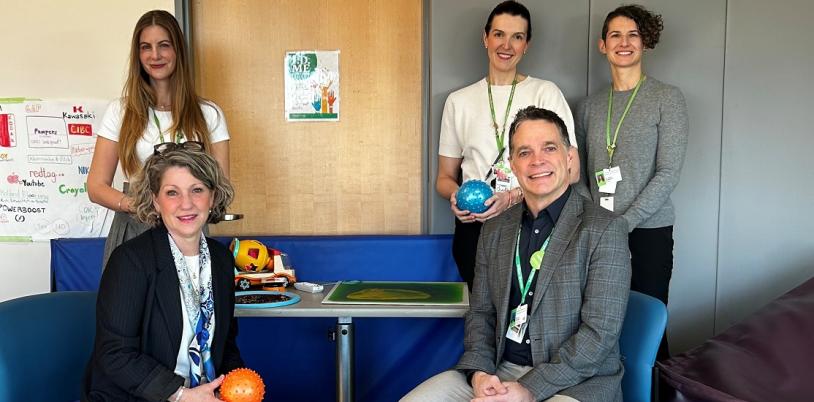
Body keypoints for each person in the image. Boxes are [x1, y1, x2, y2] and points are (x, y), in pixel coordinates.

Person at [403, 106, 631, 402]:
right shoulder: (495, 229)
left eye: (549, 148)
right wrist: (480, 372)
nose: (537, 161)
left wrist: (530, 388)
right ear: (511, 164)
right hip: (501, 372)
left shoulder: (606, 229)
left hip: (576, 381)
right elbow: (481, 313)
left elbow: (598, 336)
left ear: (569, 157)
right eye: (524, 152)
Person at [83, 144, 243, 402]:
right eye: (172, 193)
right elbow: (115, 354)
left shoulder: (221, 260)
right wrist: (179, 395)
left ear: (212, 197)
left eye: (197, 190)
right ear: (156, 201)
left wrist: (234, 385)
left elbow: (226, 345)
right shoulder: (131, 261)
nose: (186, 204)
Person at [437, 1, 578, 290]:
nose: (507, 45)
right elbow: (444, 178)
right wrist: (456, 197)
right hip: (475, 227)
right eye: (499, 34)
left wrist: (512, 197)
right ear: (485, 37)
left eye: (517, 37)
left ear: (527, 45)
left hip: (534, 221)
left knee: (528, 313)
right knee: (481, 315)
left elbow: (571, 172)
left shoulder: (545, 93)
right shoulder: (458, 101)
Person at [576, 4, 688, 360]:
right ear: (602, 45)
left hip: (649, 231)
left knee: (647, 327)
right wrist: (598, 221)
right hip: (597, 230)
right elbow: (574, 172)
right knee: (599, 322)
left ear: (645, 43)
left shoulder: (667, 99)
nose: (624, 43)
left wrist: (623, 223)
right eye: (615, 35)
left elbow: (668, 172)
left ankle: (656, 391)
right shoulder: (589, 107)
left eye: (633, 35)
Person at [88, 9, 231, 269]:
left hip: (189, 228)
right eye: (146, 47)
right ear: (138, 55)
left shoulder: (209, 114)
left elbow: (220, 187)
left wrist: (183, 204)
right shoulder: (120, 111)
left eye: (163, 45)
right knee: (130, 306)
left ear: (177, 50)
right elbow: (96, 187)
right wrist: (141, 205)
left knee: (190, 307)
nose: (155, 55)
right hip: (134, 226)